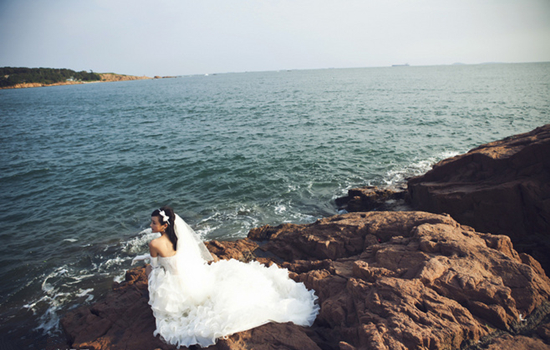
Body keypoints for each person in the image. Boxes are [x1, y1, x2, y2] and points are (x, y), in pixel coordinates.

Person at [133, 206, 319, 348]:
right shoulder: (178, 238)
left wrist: (148, 268)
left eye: (153, 223)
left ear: (164, 225)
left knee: (151, 273)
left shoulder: (154, 243)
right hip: (191, 280)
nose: (150, 226)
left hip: (174, 285)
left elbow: (156, 267)